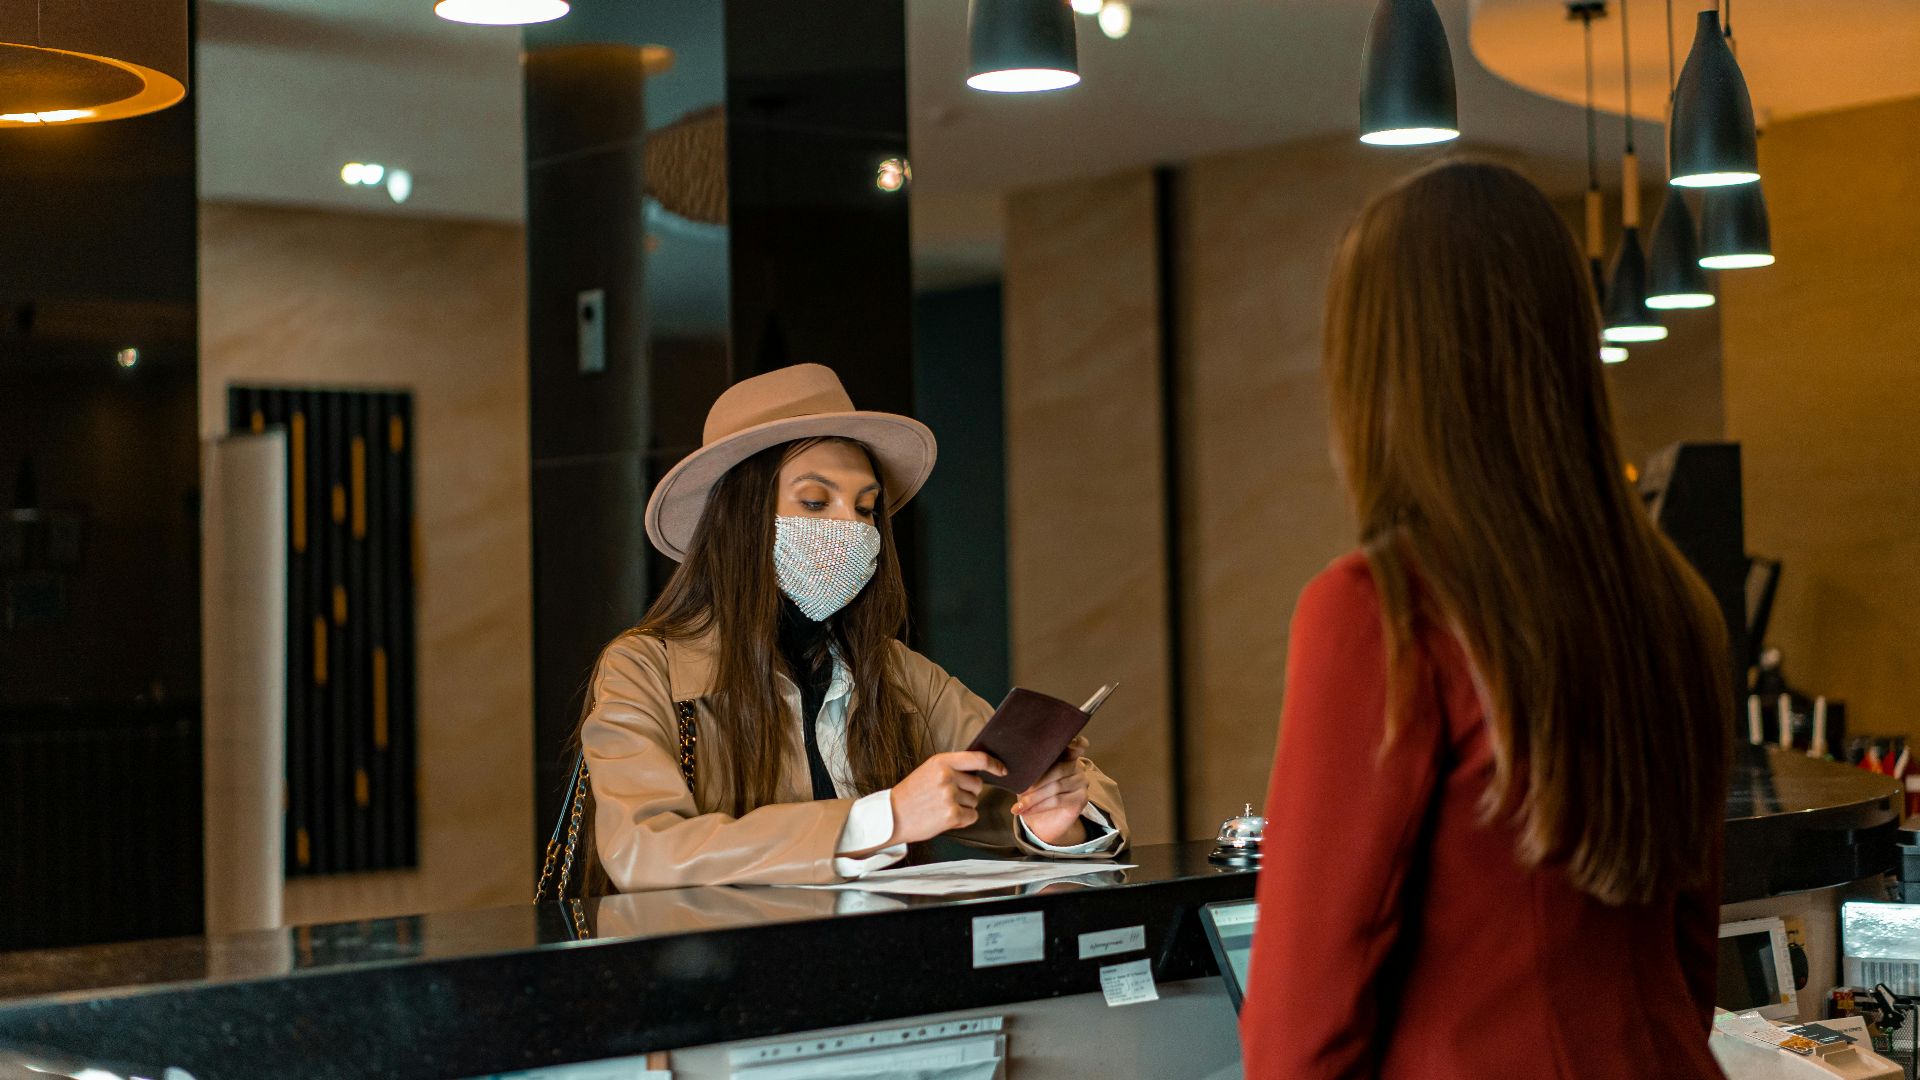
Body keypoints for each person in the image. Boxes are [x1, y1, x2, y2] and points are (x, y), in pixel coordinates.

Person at [1240, 162, 1732, 1079]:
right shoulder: (1677, 603)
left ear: (1378, 368)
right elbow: (1688, 962)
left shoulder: (1379, 611)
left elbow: (1300, 1023)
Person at [568, 363, 1127, 893]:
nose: (850, 528)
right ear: (740, 519)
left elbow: (1035, 787)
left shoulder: (894, 671)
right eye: (814, 501)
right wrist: (883, 818)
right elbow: (642, 848)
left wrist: (1056, 824)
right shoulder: (644, 668)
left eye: (865, 509)